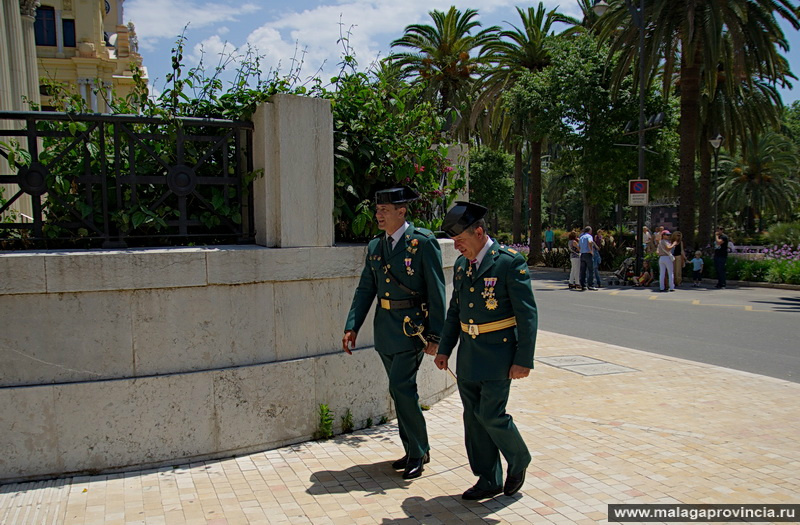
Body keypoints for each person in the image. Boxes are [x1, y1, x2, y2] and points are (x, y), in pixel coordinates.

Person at [434, 202, 537, 501]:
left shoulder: (509, 263)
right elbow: (455, 311)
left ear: (479, 232)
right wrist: (445, 349)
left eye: (460, 241)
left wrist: (523, 360)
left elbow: (527, 315)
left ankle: (519, 459)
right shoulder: (463, 266)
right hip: (468, 354)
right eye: (454, 242)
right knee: (473, 419)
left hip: (498, 356)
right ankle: (488, 478)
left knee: (491, 415)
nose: (457, 247)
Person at [342, 186, 446, 480]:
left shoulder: (422, 243)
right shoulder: (376, 246)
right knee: (399, 390)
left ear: (402, 212)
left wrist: (436, 336)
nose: (378, 215)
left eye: (384, 211)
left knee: (401, 388)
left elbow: (437, 292)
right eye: (377, 210)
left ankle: (418, 451)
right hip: (386, 329)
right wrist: (352, 326)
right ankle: (416, 447)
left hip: (412, 329)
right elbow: (366, 289)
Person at [578, 226, 596, 291]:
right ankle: (590, 285)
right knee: (591, 270)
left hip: (582, 254)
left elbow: (578, 246)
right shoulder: (589, 236)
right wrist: (591, 251)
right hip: (588, 254)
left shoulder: (581, 237)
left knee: (583, 271)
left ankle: (583, 285)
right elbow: (590, 242)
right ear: (589, 231)